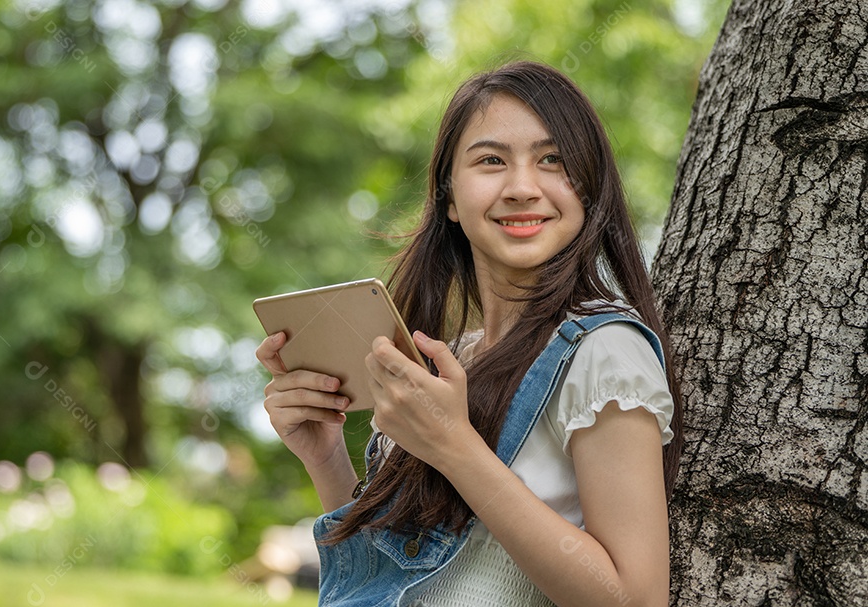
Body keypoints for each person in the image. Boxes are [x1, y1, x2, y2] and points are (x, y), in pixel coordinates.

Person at [256, 60, 683, 607]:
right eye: (491, 161)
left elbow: (636, 598)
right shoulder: (448, 358)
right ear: (450, 198)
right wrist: (325, 457)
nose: (523, 188)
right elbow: (389, 579)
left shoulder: (603, 352)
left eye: (552, 160)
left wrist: (456, 448)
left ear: (589, 187)